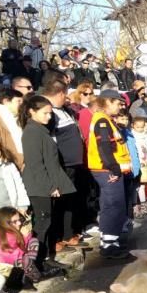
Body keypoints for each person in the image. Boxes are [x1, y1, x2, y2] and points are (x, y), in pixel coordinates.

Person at [19, 95, 75, 276]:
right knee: (43, 225)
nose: (49, 117)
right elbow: (36, 164)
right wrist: (50, 186)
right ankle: (38, 263)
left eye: (50, 113)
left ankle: (47, 258)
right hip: (39, 187)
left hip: (45, 185)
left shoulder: (40, 130)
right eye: (45, 113)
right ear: (31, 112)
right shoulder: (32, 132)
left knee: (49, 223)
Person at [87, 90, 133, 259]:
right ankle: (110, 245)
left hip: (106, 169)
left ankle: (108, 241)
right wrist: (113, 168)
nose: (120, 107)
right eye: (118, 103)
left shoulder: (105, 120)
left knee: (109, 205)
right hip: (107, 169)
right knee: (114, 206)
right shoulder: (102, 121)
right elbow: (104, 146)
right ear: (108, 102)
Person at [41, 82, 87, 248]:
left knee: (70, 201)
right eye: (65, 94)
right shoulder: (48, 112)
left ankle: (68, 233)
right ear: (59, 93)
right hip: (62, 164)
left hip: (73, 164)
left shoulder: (64, 110)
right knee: (59, 203)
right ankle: (56, 237)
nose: (67, 98)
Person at [0, 207, 43, 285]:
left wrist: (26, 235)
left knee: (33, 241)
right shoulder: (6, 236)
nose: (19, 223)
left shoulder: (5, 229)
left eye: (19, 220)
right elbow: (15, 254)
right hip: (1, 268)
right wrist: (25, 236)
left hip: (11, 260)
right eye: (15, 221)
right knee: (25, 260)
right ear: (6, 223)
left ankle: (29, 267)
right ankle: (30, 274)